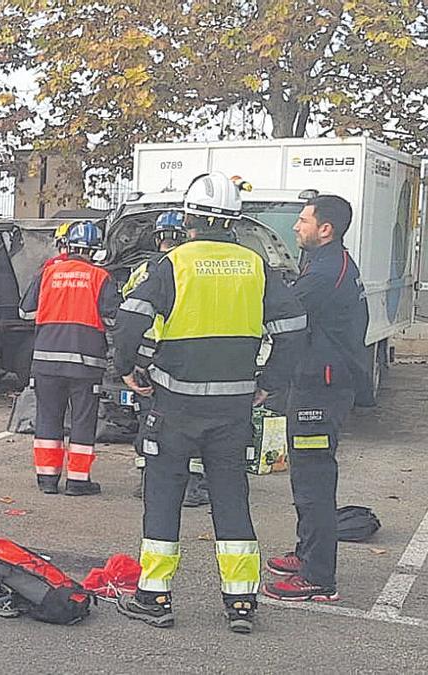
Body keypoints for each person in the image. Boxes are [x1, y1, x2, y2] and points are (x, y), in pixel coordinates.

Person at [112, 172, 306, 634]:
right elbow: (294, 329)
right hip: (233, 408)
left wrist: (128, 369)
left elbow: (129, 322)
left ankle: (154, 597)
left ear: (190, 217)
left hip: (173, 406)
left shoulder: (173, 264)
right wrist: (270, 382)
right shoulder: (256, 265)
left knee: (163, 498)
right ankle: (241, 603)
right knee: (231, 500)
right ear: (235, 221)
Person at [263, 195, 369, 603]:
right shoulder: (328, 263)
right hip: (316, 384)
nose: (296, 227)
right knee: (306, 477)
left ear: (325, 229)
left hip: (320, 393)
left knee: (314, 482)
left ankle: (318, 578)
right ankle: (307, 553)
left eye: (303, 220)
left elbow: (283, 308)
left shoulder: (325, 272)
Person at [19, 221, 119, 496]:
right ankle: (77, 480)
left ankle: (47, 479)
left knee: (48, 418)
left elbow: (25, 312)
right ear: (95, 250)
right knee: (83, 421)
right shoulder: (101, 278)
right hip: (85, 364)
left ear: (69, 245)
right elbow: (113, 319)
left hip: (46, 361)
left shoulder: (48, 273)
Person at [123, 211, 209, 507]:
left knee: (150, 419)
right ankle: (192, 486)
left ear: (157, 236)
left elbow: (128, 300)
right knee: (191, 420)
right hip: (185, 353)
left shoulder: (144, 268)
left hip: (147, 354)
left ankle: (148, 481)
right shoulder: (192, 267)